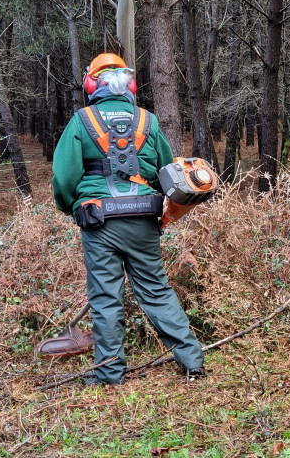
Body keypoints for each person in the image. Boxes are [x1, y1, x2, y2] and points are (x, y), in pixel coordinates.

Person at [51, 53, 205, 385]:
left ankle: (109, 374)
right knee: (156, 290)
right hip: (143, 222)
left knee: (107, 297)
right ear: (130, 84)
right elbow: (168, 170)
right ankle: (192, 361)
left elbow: (64, 178)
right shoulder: (147, 121)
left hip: (99, 222)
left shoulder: (82, 121)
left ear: (92, 83)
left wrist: (71, 207)